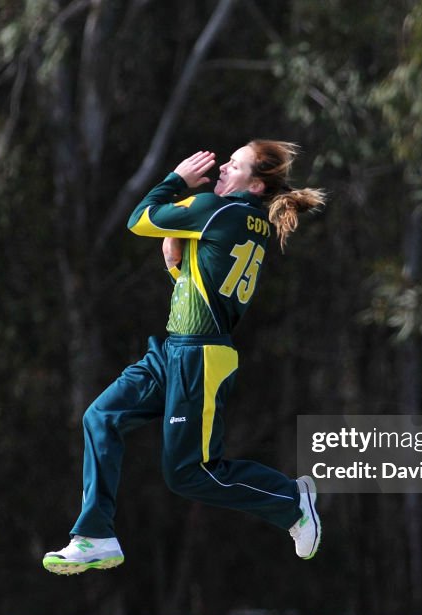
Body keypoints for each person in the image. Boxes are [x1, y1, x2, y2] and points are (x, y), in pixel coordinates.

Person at [43, 141, 327, 575]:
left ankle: (291, 501)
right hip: (176, 348)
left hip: (200, 355)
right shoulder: (249, 221)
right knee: (101, 417)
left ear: (255, 183)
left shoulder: (215, 207)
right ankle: (95, 535)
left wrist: (176, 180)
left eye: (235, 165)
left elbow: (139, 220)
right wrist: (175, 264)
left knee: (191, 474)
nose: (224, 169)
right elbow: (202, 279)